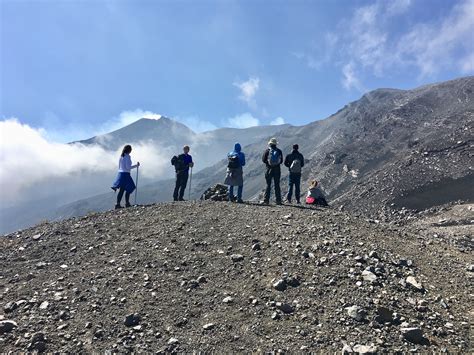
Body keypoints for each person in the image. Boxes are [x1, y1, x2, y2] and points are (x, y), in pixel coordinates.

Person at [111, 145, 140, 209]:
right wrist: (136, 165)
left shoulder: (121, 156)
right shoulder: (127, 156)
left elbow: (119, 166)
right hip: (126, 175)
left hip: (121, 174)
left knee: (122, 189)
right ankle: (127, 203)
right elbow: (128, 167)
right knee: (130, 187)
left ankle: (118, 204)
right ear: (129, 150)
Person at [261, 137, 283, 205]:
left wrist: (268, 163)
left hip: (269, 169)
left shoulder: (267, 151)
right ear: (276, 144)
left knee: (268, 185)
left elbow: (263, 160)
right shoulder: (279, 151)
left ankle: (266, 200)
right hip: (277, 170)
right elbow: (281, 161)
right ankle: (278, 200)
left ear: (270, 144)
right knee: (277, 185)